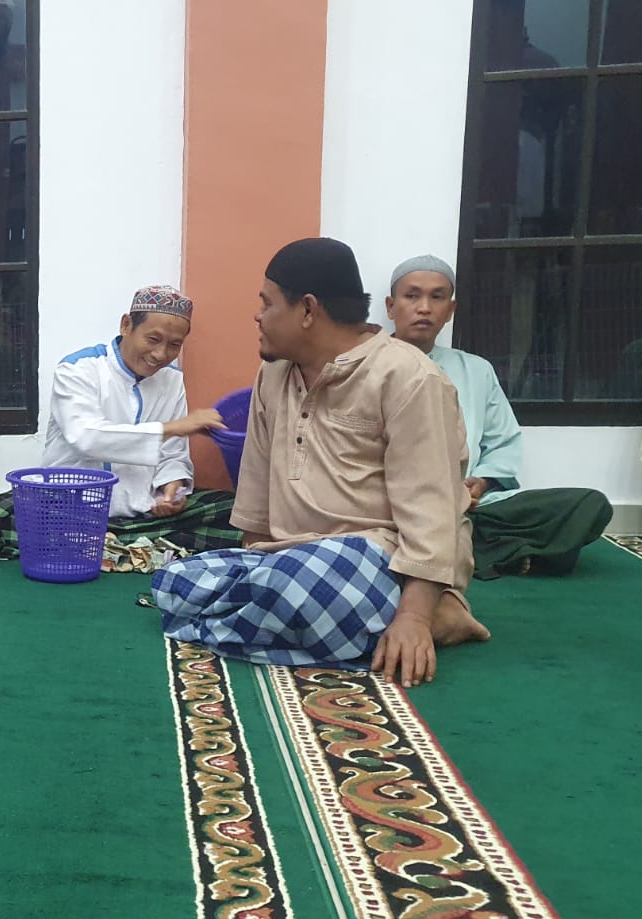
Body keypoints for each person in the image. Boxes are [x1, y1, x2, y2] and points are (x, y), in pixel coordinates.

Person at [152, 237, 489, 688]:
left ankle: (430, 614)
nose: (258, 316)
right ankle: (346, 625)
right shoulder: (274, 374)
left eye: (267, 303)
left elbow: (434, 508)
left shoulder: (409, 378)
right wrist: (258, 569)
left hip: (377, 558)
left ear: (308, 310)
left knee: (298, 589)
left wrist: (412, 616)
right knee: (174, 583)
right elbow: (256, 494)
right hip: (294, 559)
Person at [385, 254, 613, 578]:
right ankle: (491, 551)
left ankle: (461, 546)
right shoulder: (367, 366)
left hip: (471, 507)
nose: (424, 307)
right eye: (412, 296)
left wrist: (481, 483)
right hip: (394, 506)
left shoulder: (476, 370)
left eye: (437, 297)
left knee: (588, 504)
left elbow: (502, 442)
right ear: (391, 306)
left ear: (450, 310)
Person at [0, 286, 234, 561]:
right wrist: (173, 428)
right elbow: (87, 437)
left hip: (145, 512)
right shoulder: (78, 369)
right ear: (126, 325)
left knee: (231, 511)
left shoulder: (171, 379)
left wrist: (172, 488)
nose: (161, 354)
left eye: (174, 345)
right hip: (71, 508)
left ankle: (112, 544)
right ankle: (125, 545)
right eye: (153, 339)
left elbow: (173, 454)